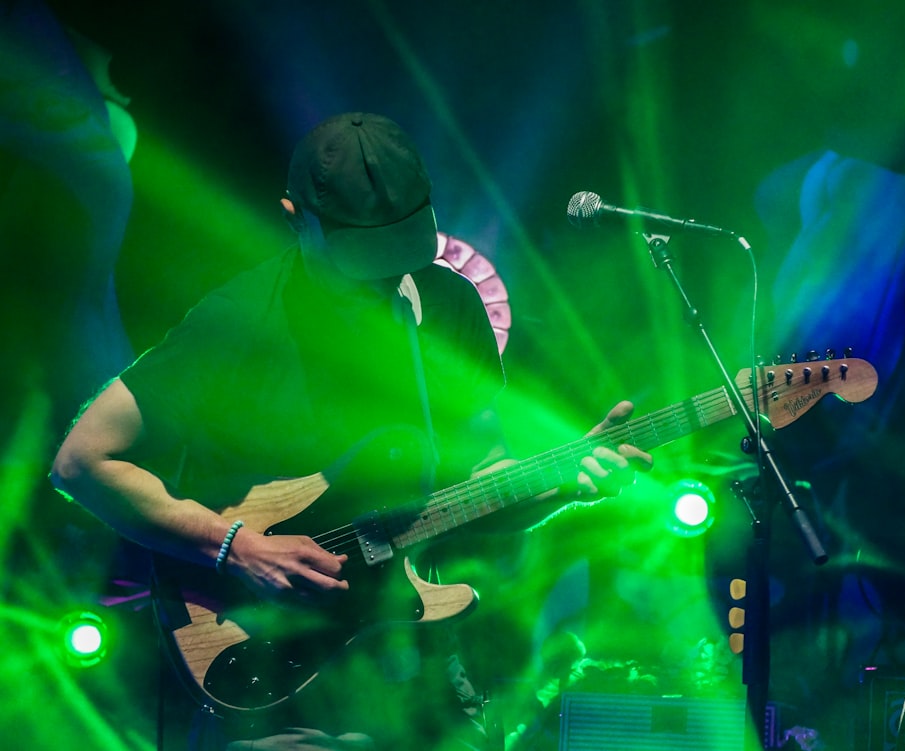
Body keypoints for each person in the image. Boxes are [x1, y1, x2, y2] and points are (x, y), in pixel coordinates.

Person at [50, 111, 652, 750]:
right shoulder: (237, 323)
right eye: (361, 263)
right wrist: (236, 547)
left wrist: (564, 483)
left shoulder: (448, 307)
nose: (385, 283)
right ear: (293, 218)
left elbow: (478, 487)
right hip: (274, 681)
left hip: (417, 671)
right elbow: (82, 461)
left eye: (398, 259)